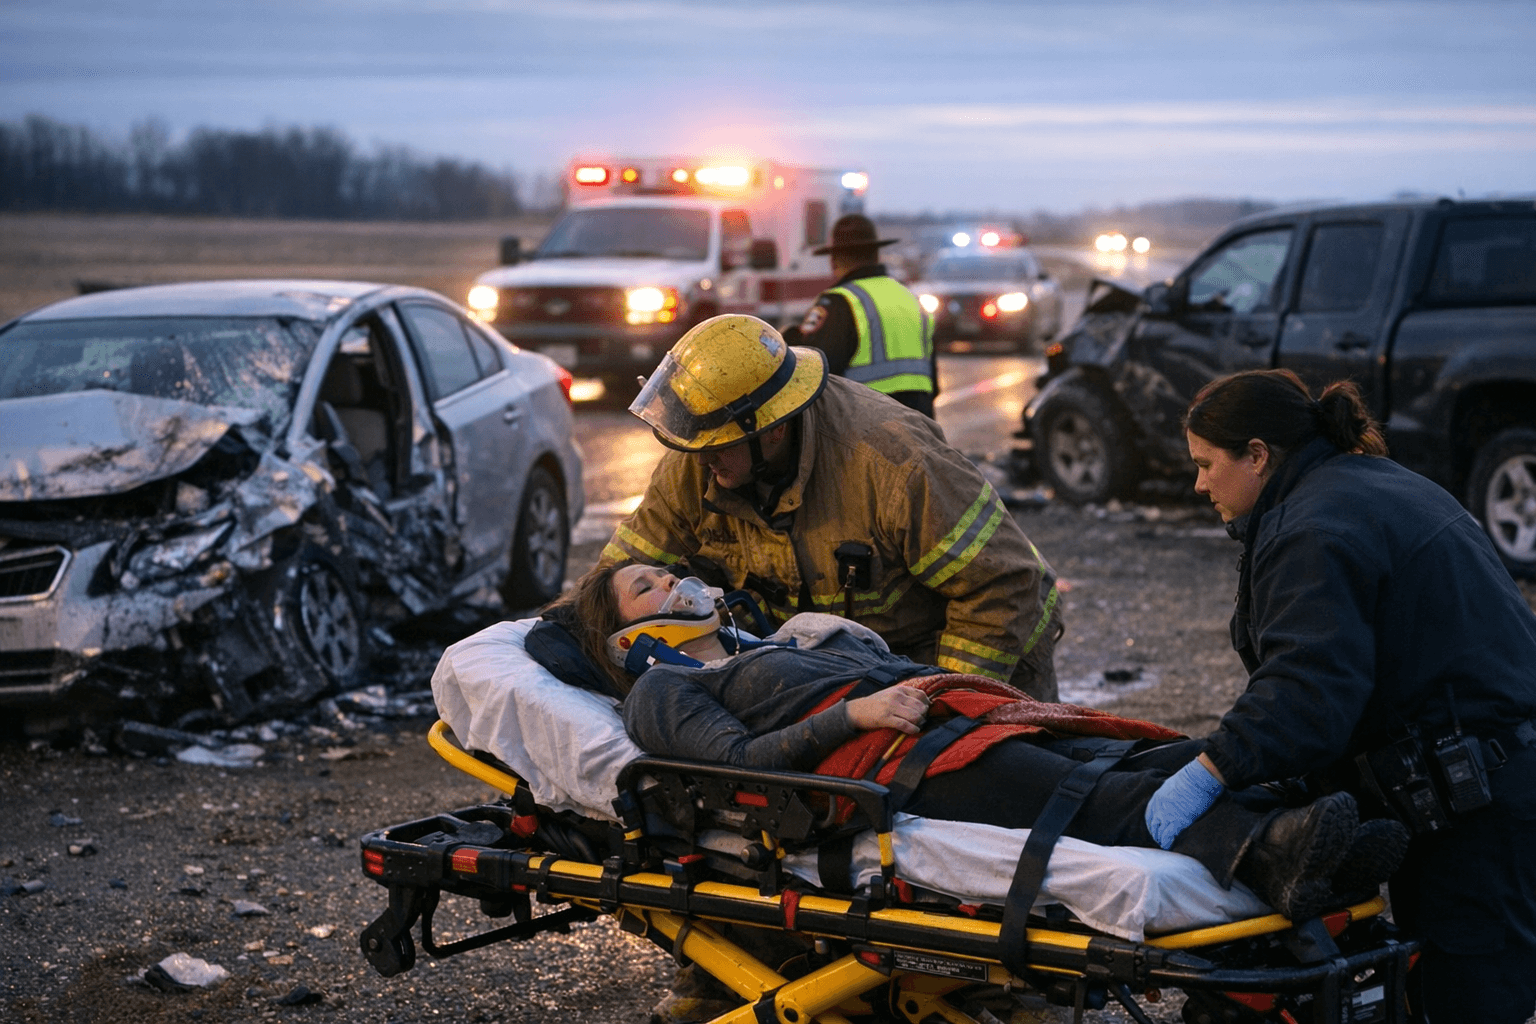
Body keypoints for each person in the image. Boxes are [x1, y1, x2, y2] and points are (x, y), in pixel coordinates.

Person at [542, 559, 1408, 926]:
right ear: (624, 638)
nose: (681, 582)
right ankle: (1273, 852)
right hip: (887, 766)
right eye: (650, 584)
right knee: (1093, 799)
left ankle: (1308, 824)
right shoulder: (663, 690)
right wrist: (855, 716)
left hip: (936, 720)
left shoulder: (761, 647)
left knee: (1129, 754)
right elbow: (731, 773)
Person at [1145, 368, 1536, 1024]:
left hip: (1482, 799)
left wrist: (1213, 770)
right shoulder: (1360, 486)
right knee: (1444, 980)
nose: (1199, 484)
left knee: (1471, 995)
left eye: (1207, 464)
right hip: (1480, 774)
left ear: (1259, 455)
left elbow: (1308, 691)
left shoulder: (1314, 526)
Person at [606, 312, 1063, 700]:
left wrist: (945, 704)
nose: (701, 460)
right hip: (837, 672)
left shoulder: (894, 463)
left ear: (772, 431)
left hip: (971, 654)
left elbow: (1002, 584)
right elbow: (619, 576)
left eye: (717, 446)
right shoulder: (700, 460)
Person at [781, 213, 937, 416]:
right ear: (876, 255)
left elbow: (814, 370)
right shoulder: (909, 297)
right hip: (920, 422)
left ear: (834, 260)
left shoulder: (838, 301)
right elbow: (932, 375)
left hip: (865, 421)